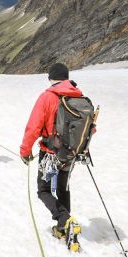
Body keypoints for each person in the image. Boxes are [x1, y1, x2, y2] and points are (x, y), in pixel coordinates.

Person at [20, 62, 85, 239]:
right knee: (63, 188)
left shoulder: (47, 97)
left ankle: (65, 220)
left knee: (43, 190)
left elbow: (33, 127)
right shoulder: (79, 97)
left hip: (50, 152)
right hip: (71, 153)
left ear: (51, 78)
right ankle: (63, 227)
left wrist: (25, 151)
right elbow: (88, 128)